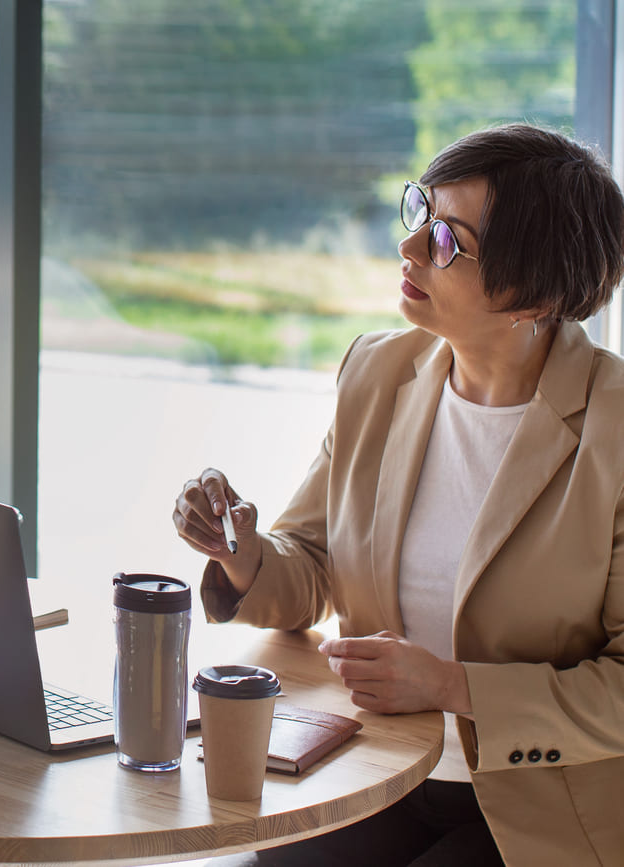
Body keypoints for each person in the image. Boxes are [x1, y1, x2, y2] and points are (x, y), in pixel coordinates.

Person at [173, 123, 624, 867]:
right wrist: (243, 550)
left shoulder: (612, 429)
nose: (410, 250)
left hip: (539, 810)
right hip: (378, 769)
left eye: (448, 242)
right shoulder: (379, 371)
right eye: (420, 214)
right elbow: (312, 566)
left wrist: (453, 685)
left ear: (533, 297)